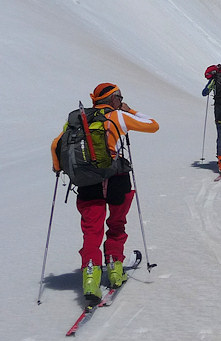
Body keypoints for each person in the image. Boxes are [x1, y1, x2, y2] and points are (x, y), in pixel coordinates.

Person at [51, 83, 159, 302]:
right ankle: (115, 268)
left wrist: (58, 167)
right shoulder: (118, 116)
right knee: (117, 223)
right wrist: (130, 111)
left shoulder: (77, 119)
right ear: (114, 99)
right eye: (119, 97)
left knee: (92, 229)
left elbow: (56, 144)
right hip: (116, 178)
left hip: (86, 180)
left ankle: (90, 277)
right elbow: (153, 125)